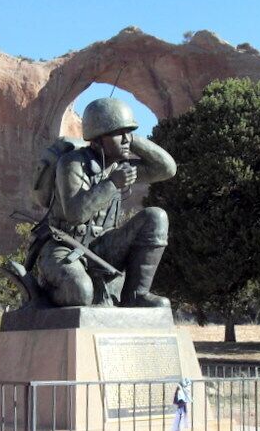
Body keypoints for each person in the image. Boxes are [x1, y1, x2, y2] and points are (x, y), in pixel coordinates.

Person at [35, 97, 176, 307]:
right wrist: (112, 184)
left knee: (156, 217)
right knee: (80, 294)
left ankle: (136, 296)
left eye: (128, 132)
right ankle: (41, 295)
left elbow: (166, 169)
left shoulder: (121, 165)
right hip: (64, 246)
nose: (126, 138)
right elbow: (75, 213)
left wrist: (129, 135)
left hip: (103, 246)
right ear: (98, 138)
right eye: (119, 133)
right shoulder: (72, 164)